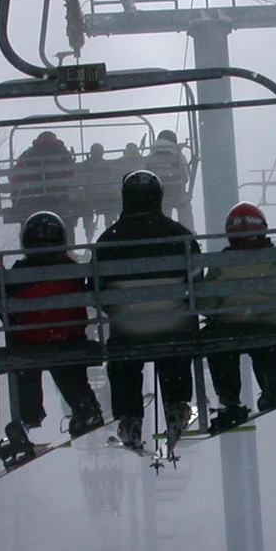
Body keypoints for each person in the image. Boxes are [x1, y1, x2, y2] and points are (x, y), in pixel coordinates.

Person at [95, 169, 198, 451]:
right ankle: (176, 406)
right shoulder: (180, 236)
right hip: (172, 326)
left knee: (123, 361)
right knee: (174, 347)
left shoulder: (108, 241)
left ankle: (129, 418)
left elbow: (98, 292)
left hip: (128, 330)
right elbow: (196, 283)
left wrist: (119, 310)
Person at [0, 210, 104, 465]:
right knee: (66, 363)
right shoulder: (72, 270)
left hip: (29, 343)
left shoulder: (18, 273)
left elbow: (7, 308)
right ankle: (84, 406)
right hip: (67, 337)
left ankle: (29, 414)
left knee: (26, 363)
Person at [202, 201, 276, 433]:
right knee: (265, 349)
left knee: (220, 350)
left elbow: (205, 302)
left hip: (228, 327)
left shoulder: (221, 263)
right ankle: (274, 386)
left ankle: (230, 401)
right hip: (266, 323)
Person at [8, 130, 78, 225]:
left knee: (27, 221)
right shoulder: (63, 152)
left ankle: (28, 233)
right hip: (59, 196)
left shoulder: (28, 154)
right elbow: (72, 174)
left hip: (31, 199)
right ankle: (66, 232)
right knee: (66, 219)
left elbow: (15, 175)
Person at [146, 130, 195, 229]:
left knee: (163, 207)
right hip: (176, 192)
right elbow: (185, 177)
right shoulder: (178, 155)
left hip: (158, 195)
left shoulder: (150, 157)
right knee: (184, 206)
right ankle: (187, 230)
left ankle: (163, 230)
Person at [76, 142, 118, 240]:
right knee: (90, 214)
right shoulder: (99, 164)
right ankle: (92, 236)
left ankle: (105, 235)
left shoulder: (89, 164)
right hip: (94, 196)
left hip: (97, 196)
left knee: (98, 213)